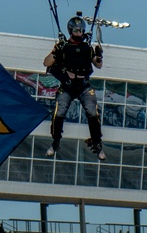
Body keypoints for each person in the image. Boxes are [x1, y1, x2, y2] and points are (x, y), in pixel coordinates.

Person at [44, 13, 104, 160]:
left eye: (81, 30)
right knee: (59, 113)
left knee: (93, 112)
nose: (79, 33)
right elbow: (46, 63)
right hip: (68, 86)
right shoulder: (63, 47)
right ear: (71, 30)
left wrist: (99, 55)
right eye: (76, 30)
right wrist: (55, 51)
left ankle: (97, 142)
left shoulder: (87, 48)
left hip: (84, 86)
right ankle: (56, 140)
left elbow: (98, 65)